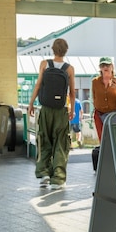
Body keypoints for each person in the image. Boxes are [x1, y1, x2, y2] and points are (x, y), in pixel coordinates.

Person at [27, 38, 76, 190]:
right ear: (66, 51)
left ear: (52, 49)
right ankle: (58, 179)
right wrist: (72, 110)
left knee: (44, 139)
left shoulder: (44, 64)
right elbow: (72, 92)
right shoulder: (69, 69)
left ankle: (44, 174)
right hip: (61, 110)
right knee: (61, 143)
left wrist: (31, 103)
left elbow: (38, 85)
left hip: (45, 109)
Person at [91, 57, 116, 141]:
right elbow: (94, 98)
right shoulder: (95, 82)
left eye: (108, 65)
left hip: (115, 116)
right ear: (100, 68)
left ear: (112, 67)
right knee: (103, 141)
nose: (105, 67)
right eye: (103, 65)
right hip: (99, 115)